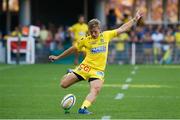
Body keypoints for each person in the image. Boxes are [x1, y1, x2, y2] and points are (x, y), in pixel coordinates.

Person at [49, 10, 143, 114]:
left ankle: (83, 109)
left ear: (100, 29)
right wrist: (58, 57)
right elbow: (73, 49)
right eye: (91, 32)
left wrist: (134, 19)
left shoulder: (106, 35)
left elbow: (122, 28)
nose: (93, 34)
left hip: (97, 71)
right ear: (88, 30)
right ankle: (71, 72)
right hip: (85, 67)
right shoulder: (85, 40)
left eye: (95, 32)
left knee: (96, 89)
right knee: (63, 85)